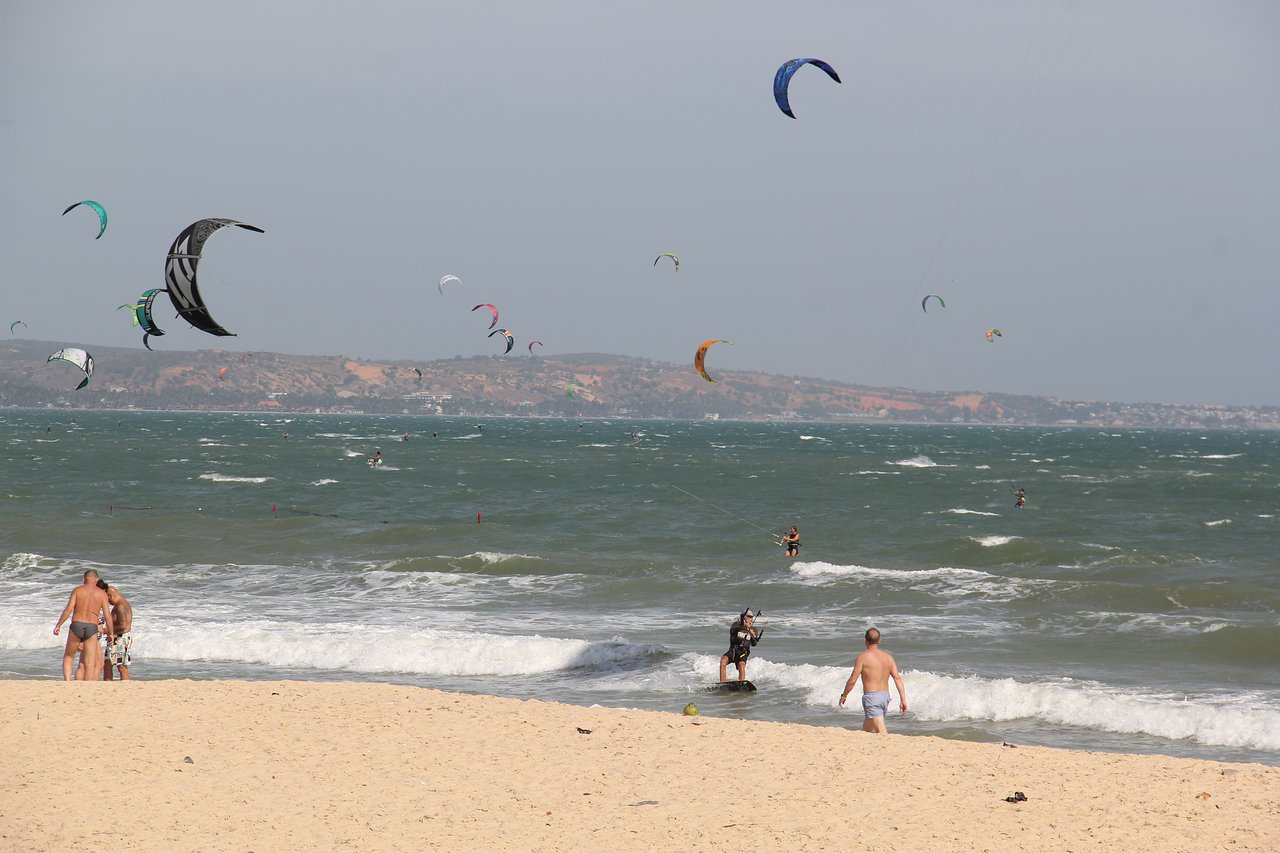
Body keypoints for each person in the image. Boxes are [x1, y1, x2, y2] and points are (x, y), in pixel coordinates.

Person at [839, 627, 907, 733]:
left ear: (865, 641)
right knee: (867, 729)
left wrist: (844, 695)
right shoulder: (888, 657)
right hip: (885, 697)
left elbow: (853, 680)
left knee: (881, 732)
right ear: (879, 640)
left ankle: (887, 748)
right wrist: (903, 699)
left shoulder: (863, 657)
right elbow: (897, 679)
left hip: (872, 698)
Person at [53, 570, 113, 681]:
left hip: (77, 623)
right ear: (96, 580)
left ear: (83, 579)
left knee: (69, 656)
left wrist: (58, 625)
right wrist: (111, 633)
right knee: (89, 661)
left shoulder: (77, 590)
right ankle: (88, 684)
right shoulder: (102, 594)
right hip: (92, 626)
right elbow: (107, 615)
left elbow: (69, 609)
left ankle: (67, 681)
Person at [718, 609, 762, 683]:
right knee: (723, 661)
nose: (750, 619)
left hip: (743, 653)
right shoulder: (736, 625)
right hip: (732, 651)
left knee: (741, 666)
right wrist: (744, 627)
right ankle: (722, 683)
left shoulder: (754, 629)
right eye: (748, 617)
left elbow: (754, 644)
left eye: (751, 617)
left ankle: (741, 683)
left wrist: (752, 635)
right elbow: (733, 631)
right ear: (744, 618)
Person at [103, 586, 133, 681]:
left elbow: (124, 626)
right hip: (116, 638)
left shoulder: (121, 605)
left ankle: (125, 685)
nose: (107, 602)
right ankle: (107, 684)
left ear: (110, 596)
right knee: (107, 663)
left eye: (107, 599)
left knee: (121, 666)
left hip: (121, 638)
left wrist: (106, 631)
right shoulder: (120, 604)